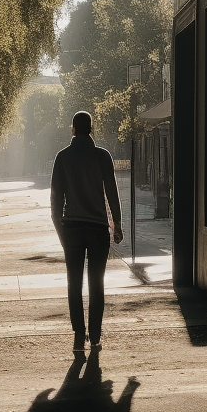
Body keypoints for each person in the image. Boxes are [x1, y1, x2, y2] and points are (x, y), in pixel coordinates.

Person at [50, 111, 123, 355]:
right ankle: (96, 334)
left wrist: (62, 233)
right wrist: (117, 225)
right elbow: (112, 192)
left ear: (73, 129)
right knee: (96, 283)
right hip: (96, 228)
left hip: (72, 228)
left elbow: (55, 201)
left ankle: (79, 334)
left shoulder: (62, 157)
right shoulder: (103, 156)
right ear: (92, 129)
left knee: (74, 283)